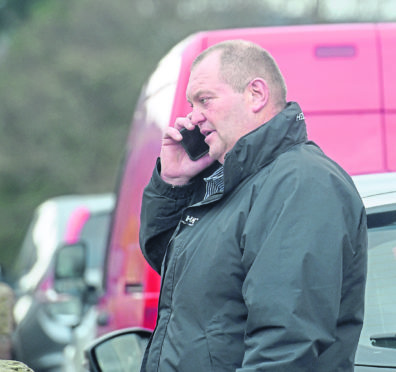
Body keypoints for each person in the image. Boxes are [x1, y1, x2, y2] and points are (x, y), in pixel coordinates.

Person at [139, 40, 367, 371]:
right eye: (191, 104)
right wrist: (173, 185)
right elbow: (177, 280)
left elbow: (286, 345)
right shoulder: (231, 185)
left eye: (205, 100)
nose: (193, 117)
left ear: (256, 95)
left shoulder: (301, 184)